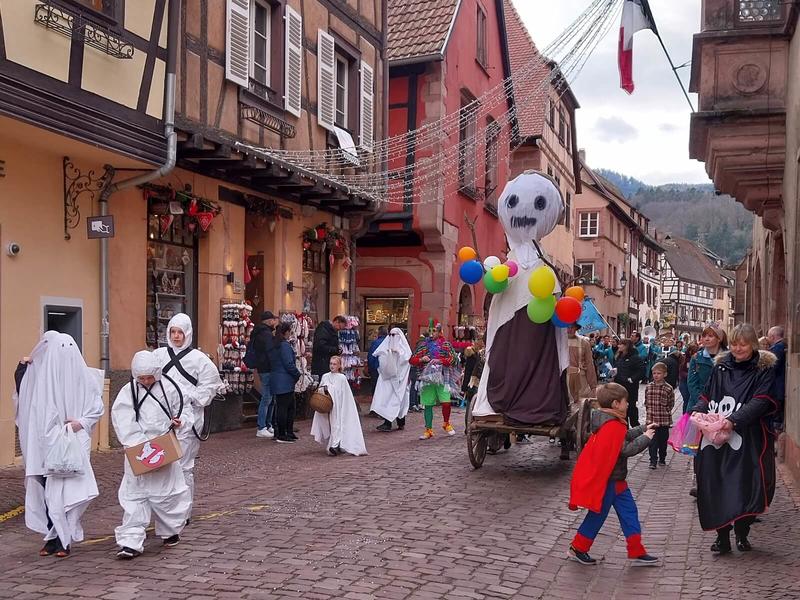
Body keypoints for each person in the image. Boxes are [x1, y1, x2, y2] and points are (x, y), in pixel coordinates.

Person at [15, 332, 104, 558]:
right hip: (46, 446)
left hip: (73, 445)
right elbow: (25, 399)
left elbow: (96, 407)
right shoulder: (40, 378)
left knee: (70, 492)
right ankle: (55, 538)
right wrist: (24, 369)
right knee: (49, 493)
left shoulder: (85, 378)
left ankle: (62, 540)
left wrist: (80, 423)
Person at [691, 324, 777, 554]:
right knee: (715, 482)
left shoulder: (764, 369)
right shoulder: (721, 368)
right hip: (716, 437)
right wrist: (698, 411)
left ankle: (742, 530)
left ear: (753, 345)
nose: (738, 349)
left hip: (749, 435)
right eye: (735, 344)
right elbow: (707, 395)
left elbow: (761, 400)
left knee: (749, 484)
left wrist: (735, 420)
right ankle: (722, 536)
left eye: (744, 344)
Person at [567, 383, 659, 566]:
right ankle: (578, 547)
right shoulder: (612, 424)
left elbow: (622, 437)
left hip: (614, 479)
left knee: (628, 512)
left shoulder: (610, 421)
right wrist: (646, 437)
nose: (628, 404)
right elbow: (626, 449)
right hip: (609, 480)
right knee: (600, 515)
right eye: (626, 402)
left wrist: (642, 429)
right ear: (616, 403)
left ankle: (636, 550)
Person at [112, 351, 191, 559]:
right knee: (134, 497)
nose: (146, 382)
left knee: (168, 496)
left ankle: (170, 531)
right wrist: (140, 445)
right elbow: (122, 419)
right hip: (139, 452)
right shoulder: (128, 392)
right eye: (142, 378)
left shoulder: (172, 388)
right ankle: (130, 541)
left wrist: (179, 423)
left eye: (149, 377)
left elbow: (185, 411)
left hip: (164, 449)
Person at [153, 313, 224, 521]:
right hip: (161, 419)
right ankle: (164, 509)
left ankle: (183, 511)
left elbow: (209, 388)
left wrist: (188, 396)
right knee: (161, 466)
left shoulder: (200, 360)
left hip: (189, 420)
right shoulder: (158, 355)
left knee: (183, 466)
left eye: (180, 333)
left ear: (188, 334)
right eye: (173, 332)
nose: (176, 337)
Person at [411, 322, 459, 439]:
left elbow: (454, 359)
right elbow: (412, 360)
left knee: (446, 402)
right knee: (427, 404)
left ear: (440, 332)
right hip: (427, 379)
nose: (432, 334)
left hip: (443, 378)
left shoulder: (446, 345)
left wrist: (442, 361)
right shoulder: (423, 345)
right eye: (430, 331)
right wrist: (421, 359)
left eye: (435, 331)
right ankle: (428, 430)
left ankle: (446, 423)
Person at [311, 356, 367, 456]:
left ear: (339, 366)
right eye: (331, 364)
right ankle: (336, 444)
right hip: (327, 404)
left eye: (334, 364)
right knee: (330, 424)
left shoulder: (342, 378)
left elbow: (344, 394)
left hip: (338, 406)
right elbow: (321, 388)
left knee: (337, 423)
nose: (332, 366)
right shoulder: (325, 376)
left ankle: (335, 445)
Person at [563, 325, 599, 459]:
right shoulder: (559, 340)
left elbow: (589, 364)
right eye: (567, 327)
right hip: (563, 379)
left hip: (580, 380)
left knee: (579, 411)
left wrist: (593, 385)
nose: (569, 330)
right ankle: (565, 443)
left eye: (572, 327)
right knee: (565, 410)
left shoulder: (583, 342)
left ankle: (574, 438)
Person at [370, 328, 411, 431]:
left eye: (395, 335)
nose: (393, 338)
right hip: (388, 379)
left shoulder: (404, 350)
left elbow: (406, 361)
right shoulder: (385, 346)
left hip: (400, 381)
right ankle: (387, 422)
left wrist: (398, 354)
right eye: (391, 335)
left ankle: (400, 422)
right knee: (388, 400)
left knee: (399, 401)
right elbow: (380, 357)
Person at [270, 322, 302, 443]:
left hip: (279, 379)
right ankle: (282, 433)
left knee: (287, 407)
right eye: (290, 331)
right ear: (286, 332)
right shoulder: (284, 346)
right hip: (284, 380)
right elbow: (288, 363)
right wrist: (297, 374)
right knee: (285, 408)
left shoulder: (275, 345)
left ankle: (286, 431)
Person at [687, 324, 727, 413]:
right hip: (698, 403)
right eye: (704, 336)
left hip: (721, 403)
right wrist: (701, 402)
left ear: (719, 338)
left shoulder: (728, 357)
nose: (706, 338)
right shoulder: (696, 357)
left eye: (710, 336)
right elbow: (692, 383)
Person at [252, 311, 279, 439]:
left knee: (271, 397)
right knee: (267, 397)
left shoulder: (262, 332)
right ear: (268, 321)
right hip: (267, 368)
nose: (275, 322)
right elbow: (270, 351)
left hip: (265, 367)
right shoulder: (265, 334)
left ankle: (268, 425)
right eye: (274, 319)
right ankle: (261, 426)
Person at [644, 362, 675, 469]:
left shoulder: (668, 388)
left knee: (662, 441)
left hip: (663, 420)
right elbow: (646, 401)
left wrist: (666, 410)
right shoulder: (648, 387)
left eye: (659, 373)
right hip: (651, 419)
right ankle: (652, 460)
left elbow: (671, 403)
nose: (656, 375)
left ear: (665, 374)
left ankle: (662, 458)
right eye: (654, 373)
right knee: (652, 441)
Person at [613, 339, 646, 427]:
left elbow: (642, 370)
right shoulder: (619, 356)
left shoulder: (635, 357)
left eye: (621, 345)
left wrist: (632, 379)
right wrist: (615, 371)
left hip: (630, 387)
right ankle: (624, 426)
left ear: (626, 346)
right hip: (620, 386)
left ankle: (635, 425)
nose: (619, 346)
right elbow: (619, 367)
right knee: (621, 407)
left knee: (631, 407)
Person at [767, 325, 786, 431]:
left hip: (778, 387)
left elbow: (771, 365)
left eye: (769, 337)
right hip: (778, 386)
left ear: (773, 337)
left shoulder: (778, 347)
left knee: (776, 414)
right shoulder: (778, 346)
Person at [367, 327, 388, 395]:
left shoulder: (375, 343)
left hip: (376, 367)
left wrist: (370, 368)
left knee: (375, 386)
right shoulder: (389, 342)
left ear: (379, 333)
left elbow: (371, 356)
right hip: (387, 368)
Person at [679, 343, 699, 413]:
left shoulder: (698, 359)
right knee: (686, 400)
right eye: (692, 351)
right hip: (684, 382)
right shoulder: (684, 359)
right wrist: (689, 375)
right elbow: (681, 371)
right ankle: (685, 416)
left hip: (695, 383)